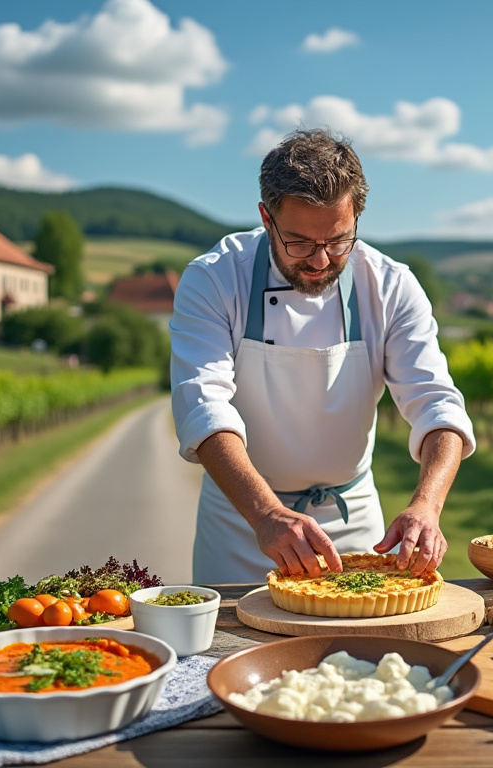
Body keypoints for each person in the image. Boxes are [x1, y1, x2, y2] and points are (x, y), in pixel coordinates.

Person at [170, 128, 476, 584]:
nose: (319, 261)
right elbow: (203, 407)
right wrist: (265, 515)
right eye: (299, 243)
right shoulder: (214, 279)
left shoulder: (390, 285)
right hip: (243, 524)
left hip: (355, 529)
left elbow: (438, 404)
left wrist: (426, 506)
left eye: (338, 242)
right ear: (265, 218)